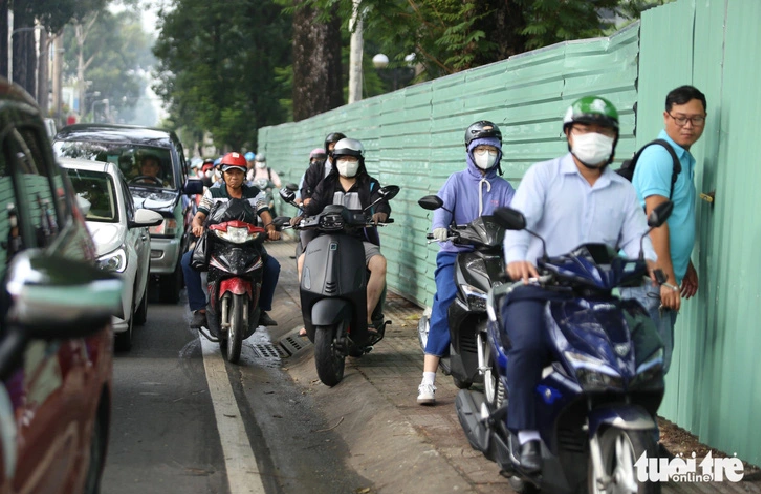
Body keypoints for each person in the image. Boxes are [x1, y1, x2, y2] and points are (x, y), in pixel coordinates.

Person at [501, 96, 657, 472]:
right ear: (569, 134)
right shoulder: (544, 176)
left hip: (598, 292)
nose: (593, 137)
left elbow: (637, 238)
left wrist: (650, 263)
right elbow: (518, 223)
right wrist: (517, 259)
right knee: (530, 346)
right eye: (584, 129)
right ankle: (525, 434)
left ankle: (638, 430)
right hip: (540, 288)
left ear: (615, 139)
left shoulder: (621, 189)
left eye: (602, 130)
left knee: (638, 352)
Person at [417, 121, 515, 406]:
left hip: (494, 257)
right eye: (481, 149)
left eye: (492, 149)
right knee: (446, 300)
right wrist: (440, 227)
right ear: (470, 151)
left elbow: (519, 215)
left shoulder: (504, 187)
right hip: (455, 254)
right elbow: (442, 210)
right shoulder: (456, 181)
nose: (487, 154)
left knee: (512, 302)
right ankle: (428, 379)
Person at [619, 86, 706, 375]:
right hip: (647, 281)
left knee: (651, 366)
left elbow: (675, 216)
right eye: (680, 118)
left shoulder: (680, 159)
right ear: (666, 117)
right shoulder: (660, 157)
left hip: (653, 278)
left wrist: (685, 263)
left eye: (696, 119)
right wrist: (667, 279)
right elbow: (655, 219)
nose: (688, 126)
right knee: (646, 369)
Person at [293, 137, 391, 330]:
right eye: (342, 158)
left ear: (359, 161)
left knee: (380, 263)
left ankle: (367, 316)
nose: (347, 163)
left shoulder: (370, 185)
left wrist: (381, 213)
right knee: (303, 262)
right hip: (324, 240)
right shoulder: (325, 185)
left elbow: (381, 202)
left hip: (357, 241)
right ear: (335, 161)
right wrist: (302, 218)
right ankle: (309, 318)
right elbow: (312, 208)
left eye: (351, 159)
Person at [180, 152, 282, 330]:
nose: (234, 177)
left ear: (244, 174)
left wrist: (271, 229)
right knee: (186, 261)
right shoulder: (213, 192)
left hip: (249, 244)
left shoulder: (255, 193)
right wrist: (197, 226)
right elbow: (199, 216)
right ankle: (199, 309)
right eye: (230, 173)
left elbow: (265, 215)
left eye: (238, 173)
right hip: (217, 244)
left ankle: (262, 308)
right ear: (222, 173)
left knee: (273, 266)